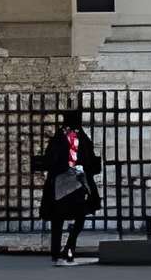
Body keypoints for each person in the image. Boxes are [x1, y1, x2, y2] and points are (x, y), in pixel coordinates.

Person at [36, 110, 106, 265]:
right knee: (79, 215)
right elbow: (89, 160)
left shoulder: (59, 138)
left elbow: (49, 159)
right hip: (77, 181)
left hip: (61, 182)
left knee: (58, 218)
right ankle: (69, 246)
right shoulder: (81, 137)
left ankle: (56, 252)